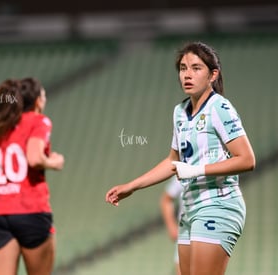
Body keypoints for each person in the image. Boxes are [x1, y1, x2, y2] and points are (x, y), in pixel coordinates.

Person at [105, 41, 255, 275]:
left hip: (218, 205)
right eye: (183, 68)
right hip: (189, 208)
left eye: (196, 68)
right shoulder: (180, 112)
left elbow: (247, 159)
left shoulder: (219, 107)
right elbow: (171, 162)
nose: (187, 74)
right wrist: (131, 186)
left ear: (212, 74)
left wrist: (196, 170)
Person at [0, 77, 64, 275]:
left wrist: (8, 178)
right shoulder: (39, 121)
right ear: (38, 101)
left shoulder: (3, 125)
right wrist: (54, 162)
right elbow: (34, 158)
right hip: (29, 209)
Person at [160, 176, 183, 275]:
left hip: (210, 230)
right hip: (186, 233)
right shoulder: (185, 167)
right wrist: (172, 227)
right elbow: (166, 199)